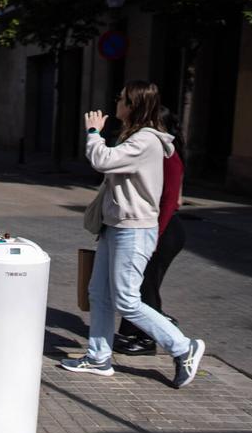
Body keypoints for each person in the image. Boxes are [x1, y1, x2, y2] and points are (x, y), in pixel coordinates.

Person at [61, 81, 206, 388]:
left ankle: (183, 347)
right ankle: (98, 358)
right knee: (98, 293)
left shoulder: (146, 140)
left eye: (122, 98)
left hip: (134, 230)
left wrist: (93, 132)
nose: (117, 101)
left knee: (127, 300)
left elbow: (102, 161)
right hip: (116, 226)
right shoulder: (134, 136)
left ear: (133, 105)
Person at [115, 107, 185, 355]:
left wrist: (155, 235)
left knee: (146, 285)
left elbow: (171, 200)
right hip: (155, 228)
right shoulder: (153, 150)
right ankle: (135, 331)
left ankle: (148, 339)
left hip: (163, 230)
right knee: (141, 284)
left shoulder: (168, 154)